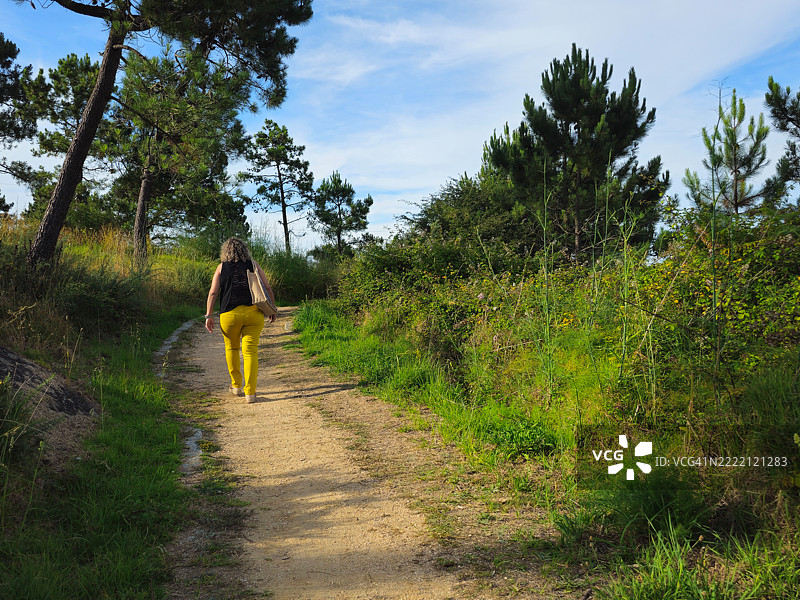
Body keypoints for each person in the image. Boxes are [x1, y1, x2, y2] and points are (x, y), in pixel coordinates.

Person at [204, 238, 277, 403]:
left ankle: (236, 386)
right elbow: (267, 287)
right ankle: (250, 393)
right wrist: (272, 308)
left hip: (229, 315)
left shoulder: (221, 267)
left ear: (225, 252)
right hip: (254, 313)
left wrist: (209, 315)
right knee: (250, 351)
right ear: (244, 249)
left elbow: (213, 293)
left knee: (231, 349)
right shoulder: (253, 264)